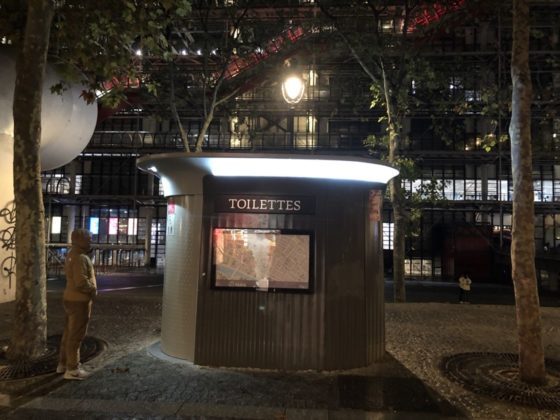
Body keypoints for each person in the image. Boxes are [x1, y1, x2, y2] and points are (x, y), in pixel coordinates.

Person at [57, 229, 97, 380]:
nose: (91, 240)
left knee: (68, 333)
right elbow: (81, 282)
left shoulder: (72, 254)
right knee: (76, 335)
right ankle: (73, 369)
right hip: (80, 301)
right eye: (88, 238)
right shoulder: (80, 258)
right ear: (79, 239)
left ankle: (62, 364)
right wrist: (92, 289)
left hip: (70, 298)